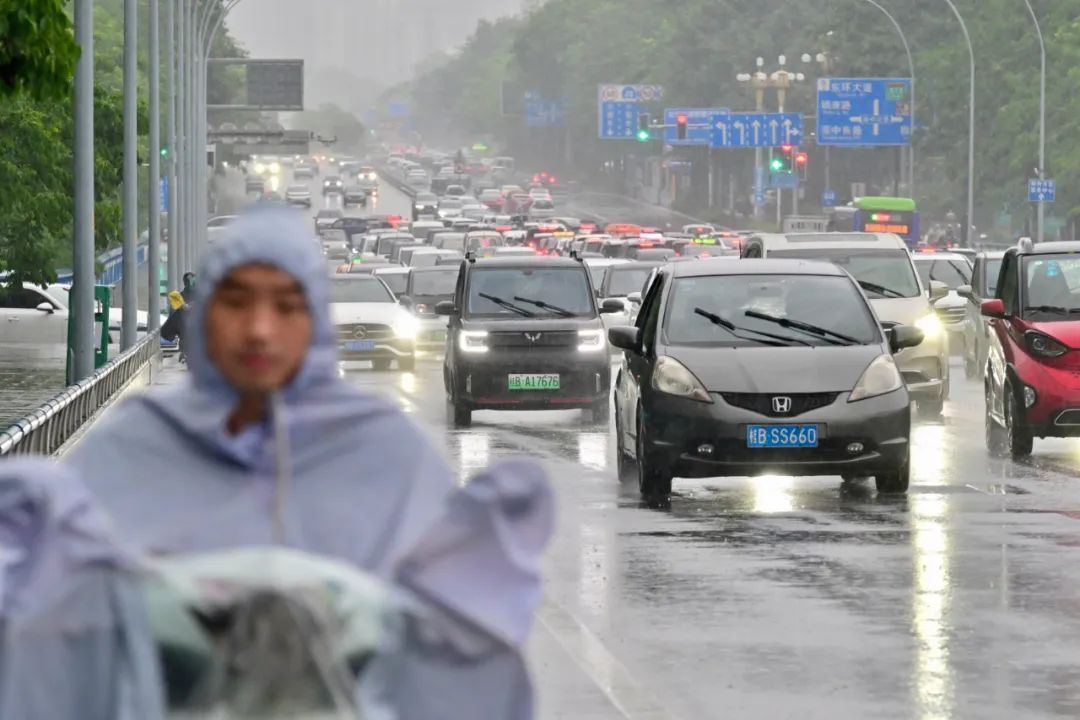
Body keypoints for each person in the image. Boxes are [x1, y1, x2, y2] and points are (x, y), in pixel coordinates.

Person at [65, 204, 548, 718]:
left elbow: (446, 659)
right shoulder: (130, 450)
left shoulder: (388, 456)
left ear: (314, 317)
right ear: (206, 313)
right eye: (236, 301)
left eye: (286, 305)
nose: (259, 330)